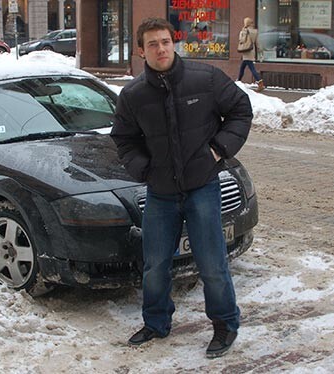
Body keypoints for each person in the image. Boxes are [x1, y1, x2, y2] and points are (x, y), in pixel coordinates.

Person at [110, 18, 252, 358]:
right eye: (153, 44)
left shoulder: (205, 79)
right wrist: (144, 169)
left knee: (212, 262)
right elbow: (124, 140)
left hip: (202, 186)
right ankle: (156, 322)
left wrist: (217, 150)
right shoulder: (133, 96)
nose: (161, 49)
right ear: (141, 51)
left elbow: (240, 111)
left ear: (174, 43)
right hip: (161, 192)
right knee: (156, 263)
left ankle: (225, 326)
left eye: (166, 41)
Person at [237, 17, 264, 91]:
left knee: (251, 68)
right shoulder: (255, 31)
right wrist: (260, 50)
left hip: (246, 51)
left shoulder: (244, 31)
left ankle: (260, 82)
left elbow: (241, 40)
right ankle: (238, 81)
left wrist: (241, 33)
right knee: (243, 67)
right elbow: (257, 43)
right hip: (252, 50)